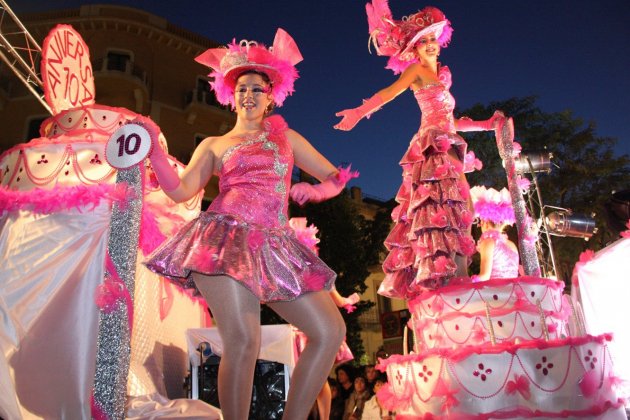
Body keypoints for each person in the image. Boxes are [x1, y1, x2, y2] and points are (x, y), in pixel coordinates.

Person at [143, 28, 356, 420]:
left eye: (257, 88)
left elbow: (334, 177)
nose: (249, 95)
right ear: (230, 96)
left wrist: (316, 192)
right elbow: (180, 190)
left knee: (329, 333)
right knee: (243, 341)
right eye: (242, 88)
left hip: (275, 245)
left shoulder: (287, 138)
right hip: (223, 241)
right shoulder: (213, 145)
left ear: (271, 96)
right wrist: (153, 151)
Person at [334, 2, 503, 299]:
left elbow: (453, 120)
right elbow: (389, 93)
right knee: (448, 209)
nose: (430, 45)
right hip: (433, 146)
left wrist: (486, 124)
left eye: (432, 39)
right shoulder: (416, 72)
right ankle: (447, 277)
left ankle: (456, 273)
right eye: (422, 41)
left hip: (449, 143)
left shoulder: (443, 77)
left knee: (461, 210)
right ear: (413, 49)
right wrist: (359, 113)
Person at [469, 186, 519, 280]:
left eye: (481, 221)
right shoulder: (512, 245)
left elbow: (484, 276)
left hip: (495, 292)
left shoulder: (489, 242)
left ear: (485, 221)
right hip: (512, 292)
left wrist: (468, 285)